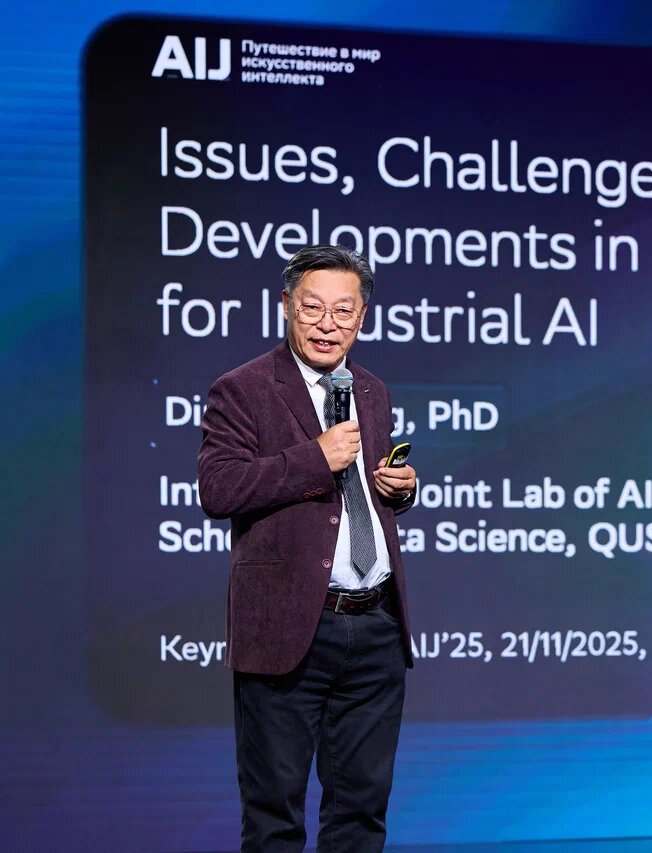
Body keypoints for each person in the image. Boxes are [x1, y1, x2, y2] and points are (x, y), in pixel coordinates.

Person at [198, 244, 417, 852]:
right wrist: (314, 459)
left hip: (375, 622)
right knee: (275, 816)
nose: (327, 324)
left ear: (361, 317)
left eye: (343, 311)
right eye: (312, 307)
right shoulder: (242, 389)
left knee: (361, 813)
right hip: (290, 625)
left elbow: (359, 494)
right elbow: (219, 488)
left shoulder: (371, 390)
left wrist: (399, 490)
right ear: (286, 306)